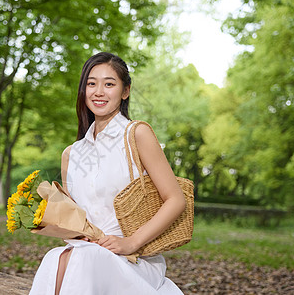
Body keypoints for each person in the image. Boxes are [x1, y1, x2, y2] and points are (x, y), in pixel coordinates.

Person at [30, 52, 186, 295]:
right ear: (83, 91)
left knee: (82, 260)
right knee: (56, 257)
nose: (99, 91)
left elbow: (176, 200)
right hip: (88, 255)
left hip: (135, 259)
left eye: (109, 84)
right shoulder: (72, 154)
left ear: (125, 91)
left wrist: (130, 242)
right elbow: (78, 220)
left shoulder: (136, 135)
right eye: (91, 83)